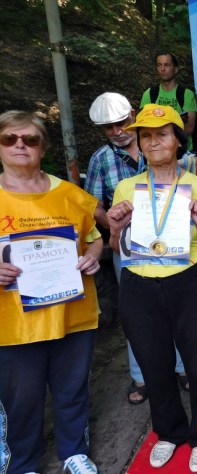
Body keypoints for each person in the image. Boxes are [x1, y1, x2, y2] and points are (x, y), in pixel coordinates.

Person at [107, 104, 197, 472]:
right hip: (139, 285)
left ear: (178, 141)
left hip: (190, 282)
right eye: (145, 136)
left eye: (162, 134)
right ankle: (169, 431)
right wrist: (114, 229)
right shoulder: (127, 188)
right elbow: (118, 248)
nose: (153, 141)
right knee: (153, 365)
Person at [86, 92, 197, 405]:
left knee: (178, 311)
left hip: (176, 242)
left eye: (121, 123)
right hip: (130, 245)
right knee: (138, 316)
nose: (117, 131)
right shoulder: (101, 158)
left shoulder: (161, 144)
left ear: (133, 115)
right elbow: (93, 204)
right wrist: (116, 223)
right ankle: (142, 375)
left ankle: (181, 369)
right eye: (108, 127)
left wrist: (182, 161)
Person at [0, 111, 102, 474]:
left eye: (30, 139)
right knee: (20, 399)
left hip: (72, 314)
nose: (20, 145)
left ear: (42, 148)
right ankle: (21, 464)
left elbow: (94, 237)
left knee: (72, 389)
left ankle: (74, 452)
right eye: (9, 139)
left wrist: (93, 256)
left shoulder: (70, 193)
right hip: (14, 324)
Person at [140, 52, 197, 150]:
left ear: (175, 69)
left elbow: (189, 127)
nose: (162, 69)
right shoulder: (149, 94)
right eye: (159, 65)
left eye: (166, 65)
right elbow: (142, 124)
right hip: (156, 150)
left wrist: (163, 138)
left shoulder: (186, 94)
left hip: (182, 151)